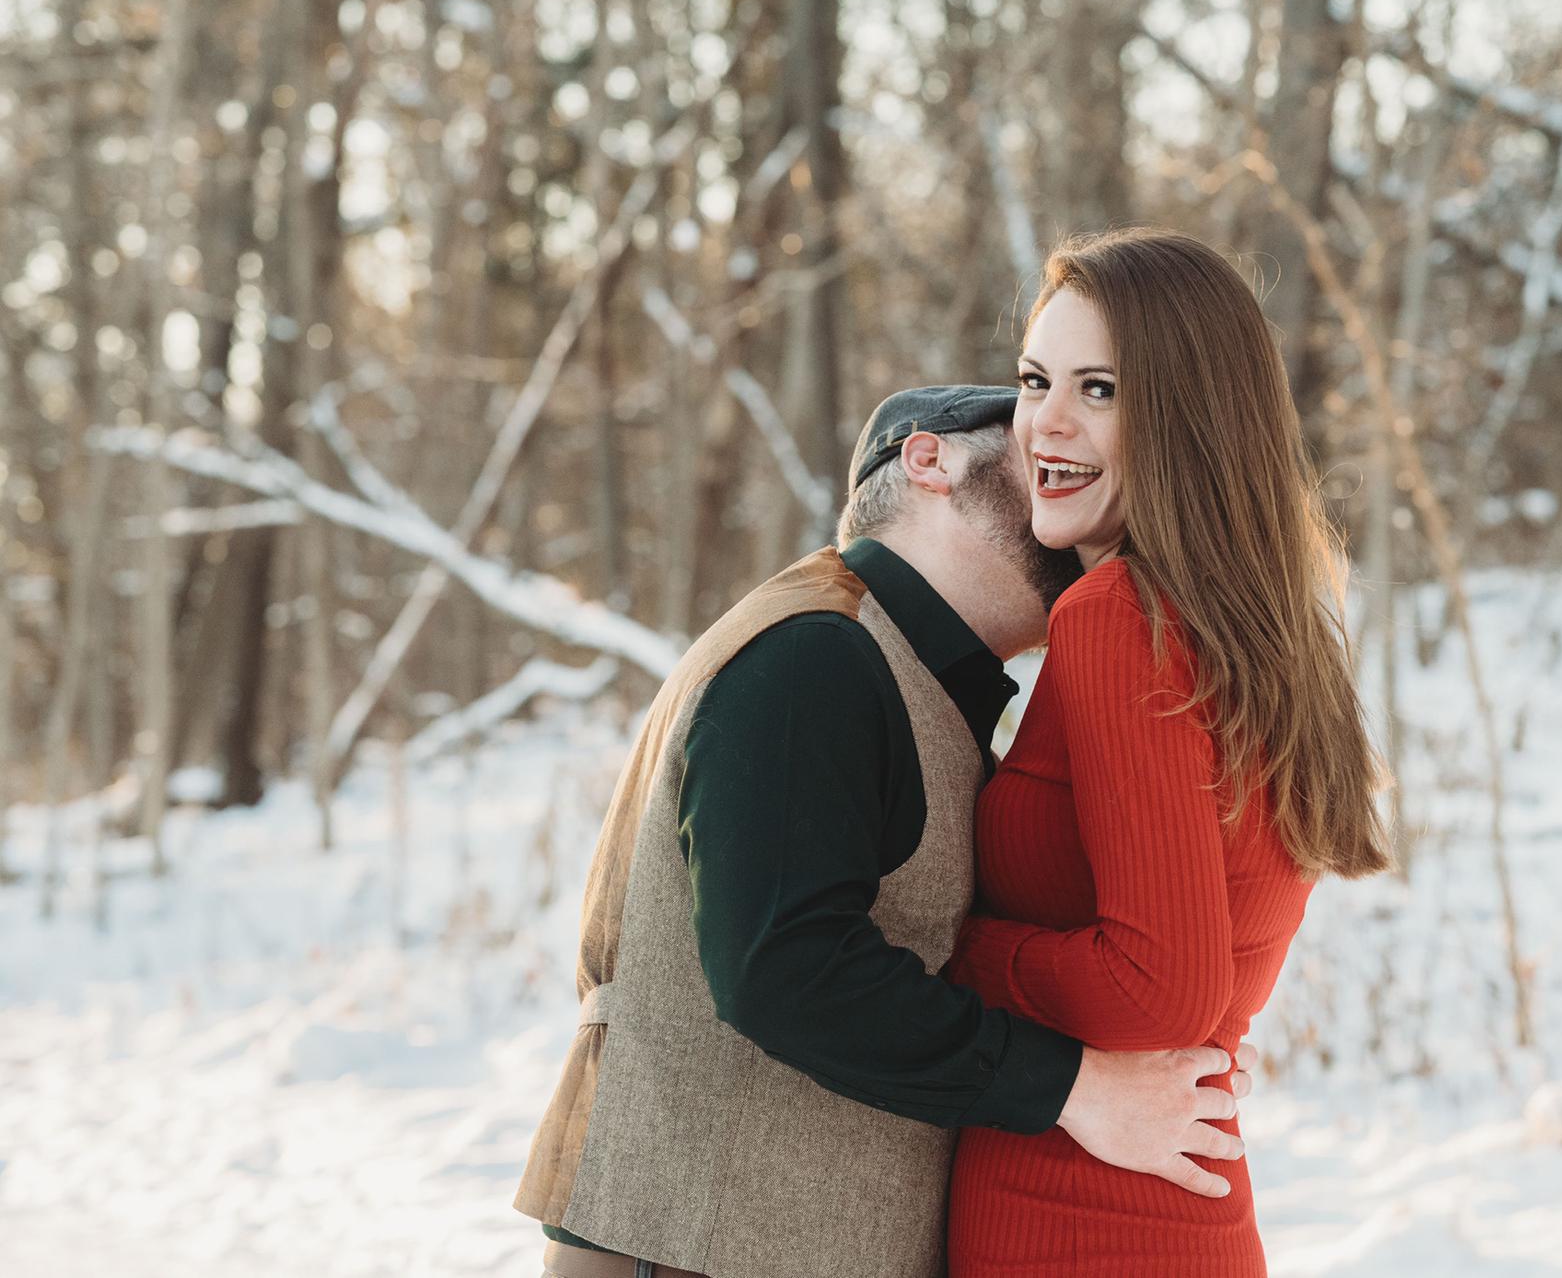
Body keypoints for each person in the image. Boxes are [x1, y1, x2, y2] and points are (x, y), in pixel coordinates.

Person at [513, 385, 1255, 1278]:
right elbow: (784, 969)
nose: (1066, 490)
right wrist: (1074, 1089)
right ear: (929, 460)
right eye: (1031, 452)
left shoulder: (916, 680)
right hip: (687, 1240)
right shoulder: (814, 653)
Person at [944, 228, 1396, 1275]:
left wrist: (957, 951)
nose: (1043, 423)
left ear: (1186, 417)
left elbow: (1164, 987)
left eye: (1098, 389)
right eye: (1033, 379)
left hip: (1079, 1216)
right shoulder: (1260, 626)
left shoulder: (1116, 618)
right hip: (1160, 1204)